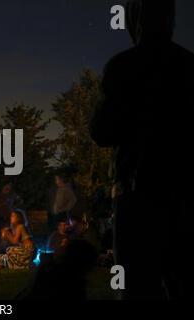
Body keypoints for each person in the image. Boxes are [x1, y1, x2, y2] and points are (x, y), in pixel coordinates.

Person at [89, 0, 192, 299]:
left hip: (138, 194)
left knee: (136, 286)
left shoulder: (123, 66)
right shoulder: (188, 65)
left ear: (135, 21)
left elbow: (102, 131)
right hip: (184, 194)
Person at [0, 183, 23, 256]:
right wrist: (2, 204)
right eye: (7, 185)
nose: (8, 187)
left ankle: (9, 251)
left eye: (10, 186)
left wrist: (14, 207)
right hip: (1, 217)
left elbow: (20, 200)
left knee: (10, 234)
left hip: (9, 218)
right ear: (3, 186)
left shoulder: (12, 195)